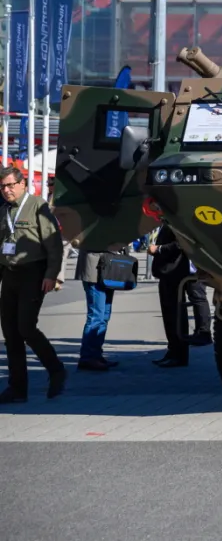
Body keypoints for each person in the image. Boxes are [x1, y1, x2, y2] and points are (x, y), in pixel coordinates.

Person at [0, 166, 66, 402]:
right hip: (10, 273)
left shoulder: (38, 206)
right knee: (10, 332)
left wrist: (52, 274)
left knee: (26, 327)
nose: (6, 190)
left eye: (10, 185)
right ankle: (17, 388)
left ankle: (56, 370)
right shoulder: (4, 211)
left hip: (33, 273)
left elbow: (54, 243)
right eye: (3, 186)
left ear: (22, 184)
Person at [149, 221, 212, 367]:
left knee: (175, 314)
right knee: (170, 314)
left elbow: (181, 243)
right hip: (170, 272)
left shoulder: (178, 218)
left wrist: (158, 249)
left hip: (174, 271)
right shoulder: (169, 217)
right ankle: (173, 351)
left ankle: (178, 354)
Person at [74, 242, 127, 371]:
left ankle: (96, 354)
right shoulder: (91, 225)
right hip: (94, 269)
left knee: (105, 315)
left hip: (110, 268)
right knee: (96, 315)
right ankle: (87, 357)